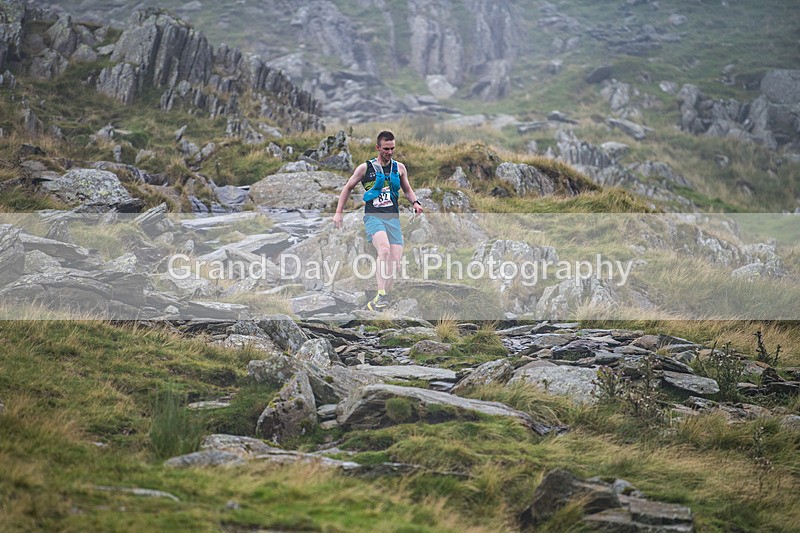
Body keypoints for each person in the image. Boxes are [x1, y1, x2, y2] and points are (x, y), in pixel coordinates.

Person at [332, 130, 423, 310]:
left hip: (393, 220)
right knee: (384, 251)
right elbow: (347, 187)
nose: (389, 152)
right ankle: (381, 294)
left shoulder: (400, 168)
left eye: (392, 149)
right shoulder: (365, 168)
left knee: (395, 265)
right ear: (378, 147)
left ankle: (377, 302)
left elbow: (407, 189)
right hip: (374, 217)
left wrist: (415, 202)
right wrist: (338, 212)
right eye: (386, 149)